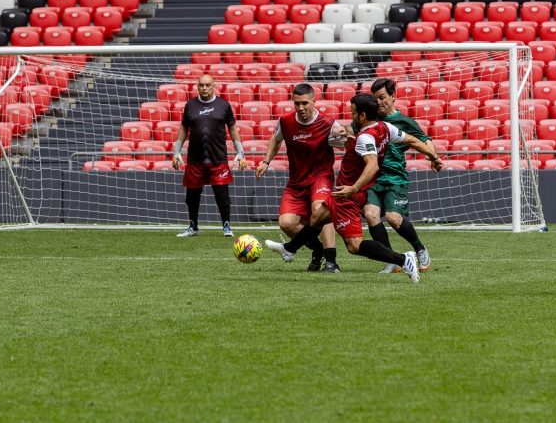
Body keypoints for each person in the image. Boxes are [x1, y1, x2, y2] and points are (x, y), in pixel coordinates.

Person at [265, 93, 443, 283]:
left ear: (363, 115)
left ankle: (403, 259)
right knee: (317, 218)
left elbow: (372, 165)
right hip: (353, 191)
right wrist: (434, 157)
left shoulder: (365, 138)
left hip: (349, 195)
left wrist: (353, 188)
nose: (352, 116)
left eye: (353, 113)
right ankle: (290, 249)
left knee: (354, 246)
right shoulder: (385, 127)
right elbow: (413, 141)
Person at [255, 83, 340, 273]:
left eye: (304, 103)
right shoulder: (285, 121)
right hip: (296, 182)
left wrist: (343, 134)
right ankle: (317, 250)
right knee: (286, 223)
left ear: (314, 101)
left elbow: (347, 142)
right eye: (297, 104)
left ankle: (332, 261)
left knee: (320, 211)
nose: (301, 108)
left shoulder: (328, 124)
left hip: (321, 177)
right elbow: (275, 140)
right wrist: (266, 161)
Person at [364, 78, 438, 275]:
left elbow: (424, 140)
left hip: (395, 178)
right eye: (375, 99)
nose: (378, 102)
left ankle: (420, 248)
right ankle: (391, 260)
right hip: (372, 178)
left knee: (393, 218)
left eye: (382, 98)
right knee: (371, 215)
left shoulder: (404, 122)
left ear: (393, 96)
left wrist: (434, 158)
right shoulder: (370, 120)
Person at [172, 74, 247, 237]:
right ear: (197, 86)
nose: (204, 88)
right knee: (192, 194)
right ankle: (193, 226)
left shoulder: (224, 105)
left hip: (218, 157)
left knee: (222, 193)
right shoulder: (190, 105)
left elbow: (233, 128)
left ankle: (227, 226)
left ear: (214, 86)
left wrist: (240, 152)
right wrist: (176, 151)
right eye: (201, 85)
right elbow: (184, 128)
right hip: (195, 158)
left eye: (207, 85)